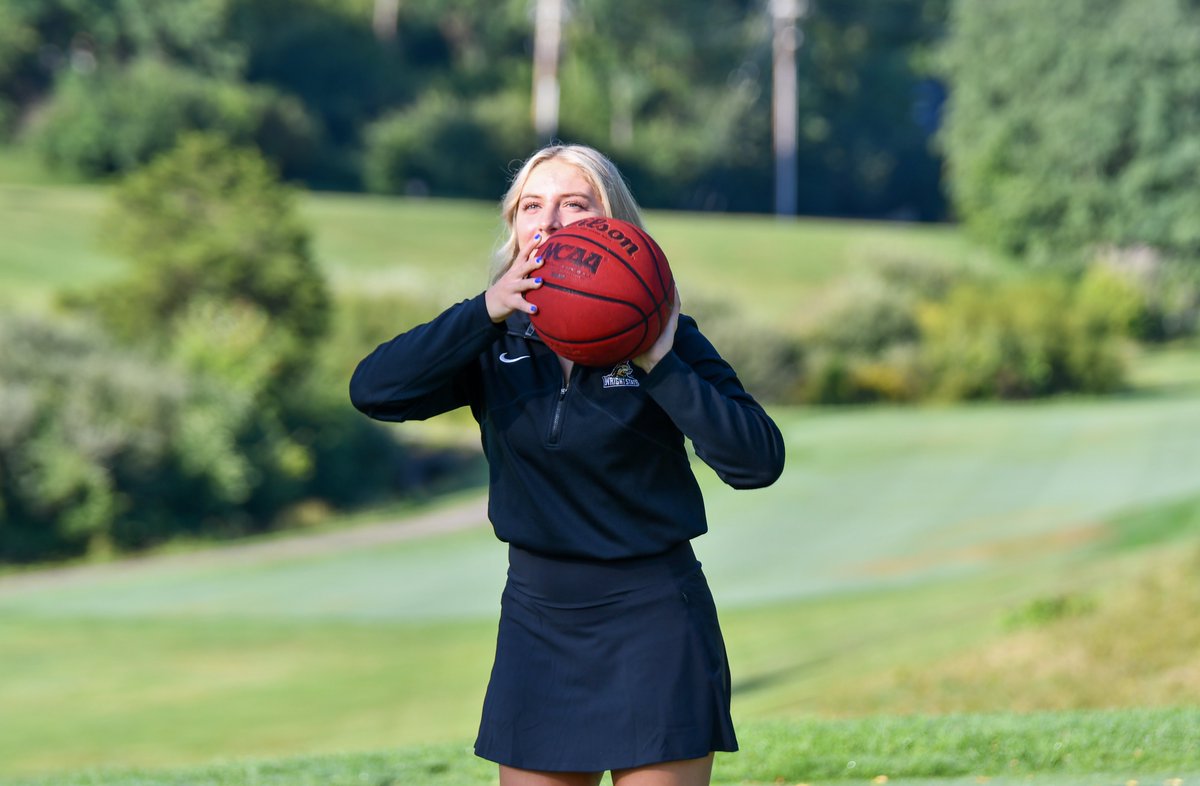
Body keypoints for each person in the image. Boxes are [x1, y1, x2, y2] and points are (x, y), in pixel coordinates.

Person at [349, 143, 785, 786]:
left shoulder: (669, 338)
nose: (548, 222)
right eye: (531, 206)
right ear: (515, 228)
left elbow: (757, 460)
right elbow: (376, 391)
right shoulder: (493, 340)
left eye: (573, 205)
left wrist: (659, 364)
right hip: (538, 621)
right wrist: (485, 310)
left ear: (614, 227)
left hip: (654, 620)